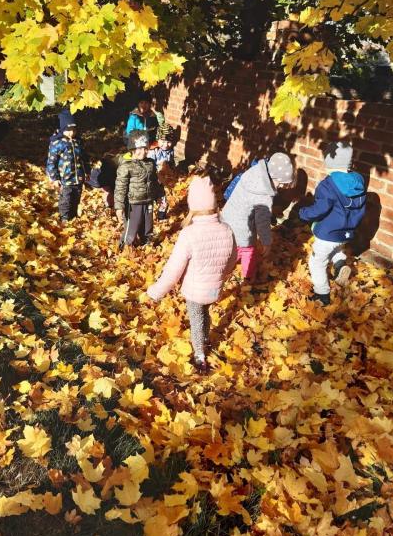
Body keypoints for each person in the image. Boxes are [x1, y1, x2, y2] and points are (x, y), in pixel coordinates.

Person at [147, 176, 236, 373]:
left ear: (192, 205)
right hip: (215, 287)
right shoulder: (227, 229)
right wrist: (222, 275)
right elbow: (232, 259)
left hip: (195, 289)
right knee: (205, 312)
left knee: (196, 317)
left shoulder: (189, 234)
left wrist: (156, 292)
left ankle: (199, 355)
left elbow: (173, 270)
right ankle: (205, 339)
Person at [299, 141, 366, 306]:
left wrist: (304, 213)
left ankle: (322, 294)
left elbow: (320, 209)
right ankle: (340, 264)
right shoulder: (359, 183)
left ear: (330, 162)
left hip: (328, 233)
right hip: (346, 232)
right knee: (336, 248)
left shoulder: (328, 185)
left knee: (317, 262)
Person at [221, 153, 295, 282]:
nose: (282, 187)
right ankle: (248, 278)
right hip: (242, 226)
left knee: (232, 244)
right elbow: (262, 221)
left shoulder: (254, 172)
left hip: (228, 215)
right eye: (281, 183)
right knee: (247, 250)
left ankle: (225, 265)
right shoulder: (264, 194)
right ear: (274, 177)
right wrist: (266, 241)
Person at [114, 130, 161, 248]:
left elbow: (154, 181)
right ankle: (125, 247)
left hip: (148, 200)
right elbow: (120, 188)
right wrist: (119, 206)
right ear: (132, 149)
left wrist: (159, 195)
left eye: (146, 148)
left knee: (147, 225)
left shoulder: (150, 163)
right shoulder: (126, 166)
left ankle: (147, 243)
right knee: (132, 227)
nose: (143, 152)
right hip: (133, 203)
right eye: (139, 148)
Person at [46, 110, 90, 222]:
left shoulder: (78, 142)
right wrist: (54, 178)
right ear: (62, 129)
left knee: (76, 199)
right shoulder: (57, 144)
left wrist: (87, 172)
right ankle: (64, 219)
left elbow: (85, 158)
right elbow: (51, 162)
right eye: (68, 130)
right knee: (66, 200)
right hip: (65, 180)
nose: (71, 133)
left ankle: (73, 217)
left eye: (73, 129)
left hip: (78, 178)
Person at [148, 122, 176, 220]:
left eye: (168, 142)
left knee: (163, 201)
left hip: (161, 183)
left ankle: (161, 217)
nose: (166, 145)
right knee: (148, 203)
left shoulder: (170, 151)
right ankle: (146, 220)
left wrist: (171, 171)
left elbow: (171, 163)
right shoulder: (153, 151)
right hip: (151, 182)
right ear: (157, 139)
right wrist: (157, 171)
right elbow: (149, 167)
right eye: (163, 141)